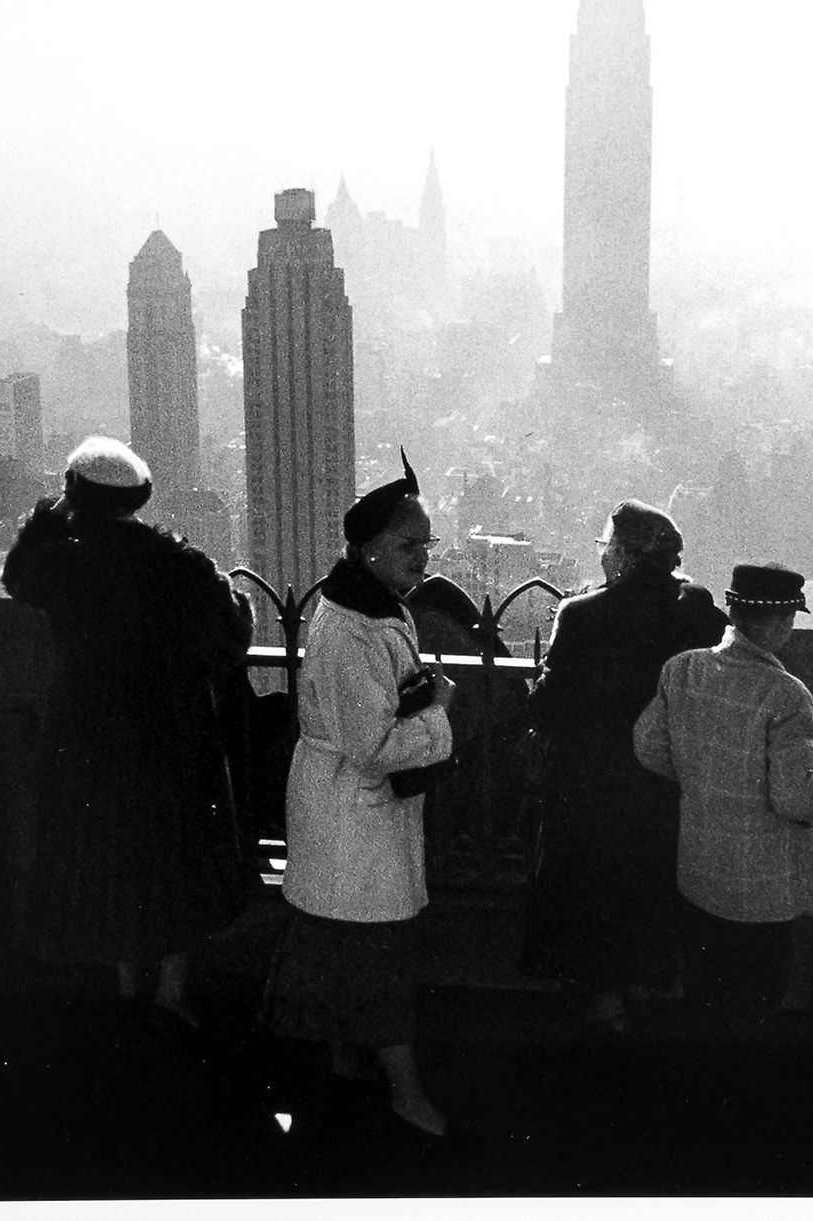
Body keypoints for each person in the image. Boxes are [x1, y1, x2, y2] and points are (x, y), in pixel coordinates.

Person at [2, 437, 253, 1029]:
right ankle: (170, 991)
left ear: (76, 497)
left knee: (106, 860)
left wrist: (46, 517)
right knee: (174, 863)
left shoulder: (61, 561)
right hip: (167, 736)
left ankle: (123, 985)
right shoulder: (178, 563)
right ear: (138, 499)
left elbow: (16, 578)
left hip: (86, 737)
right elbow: (230, 638)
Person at [266, 451, 457, 1138]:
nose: (423, 559)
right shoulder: (352, 627)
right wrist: (437, 708)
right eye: (410, 546)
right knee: (373, 957)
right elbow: (372, 749)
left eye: (426, 545)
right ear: (371, 550)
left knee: (338, 945)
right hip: (354, 812)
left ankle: (343, 1065)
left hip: (345, 814)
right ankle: (405, 1094)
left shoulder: (363, 606)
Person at [518, 499, 726, 1032]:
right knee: (647, 886)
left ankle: (603, 1006)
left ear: (623, 554)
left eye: (606, 547)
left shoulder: (583, 615)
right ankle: (648, 993)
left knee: (594, 893)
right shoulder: (697, 608)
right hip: (661, 781)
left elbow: (551, 702)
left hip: (590, 784)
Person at [632, 562, 813, 1024]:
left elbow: (648, 747)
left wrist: (701, 773)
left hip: (697, 877)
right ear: (783, 621)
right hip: (759, 892)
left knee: (703, 999)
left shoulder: (682, 670)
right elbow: (791, 796)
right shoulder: (787, 696)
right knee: (756, 1006)